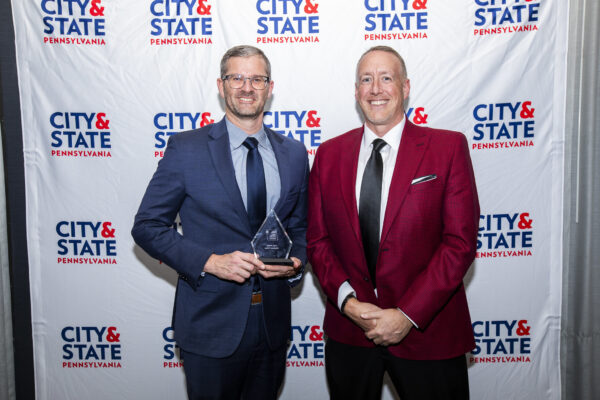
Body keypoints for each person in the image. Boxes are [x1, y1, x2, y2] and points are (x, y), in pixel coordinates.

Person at [132, 45, 309, 400]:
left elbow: (301, 229)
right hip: (210, 323)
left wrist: (296, 263)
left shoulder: (294, 153)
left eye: (257, 78)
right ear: (220, 84)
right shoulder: (187, 149)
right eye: (237, 77)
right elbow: (147, 226)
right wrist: (210, 262)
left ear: (270, 87)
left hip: (272, 324)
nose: (247, 87)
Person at [307, 45, 480, 400]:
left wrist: (406, 315)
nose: (376, 88)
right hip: (350, 333)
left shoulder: (447, 148)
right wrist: (349, 304)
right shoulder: (329, 154)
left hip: (427, 331)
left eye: (386, 78)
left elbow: (459, 244)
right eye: (366, 80)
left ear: (405, 86)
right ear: (356, 91)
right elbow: (318, 241)